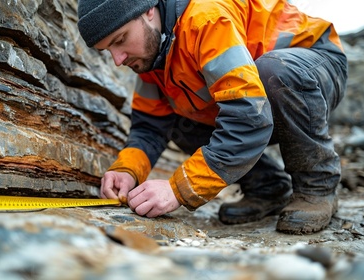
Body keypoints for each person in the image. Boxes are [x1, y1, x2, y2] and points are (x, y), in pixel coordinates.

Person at [77, 0, 348, 234]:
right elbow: (150, 126)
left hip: (313, 67)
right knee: (182, 123)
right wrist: (127, 170)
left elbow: (248, 114)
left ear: (148, 11)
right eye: (107, 50)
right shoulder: (150, 53)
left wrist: (179, 188)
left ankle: (317, 188)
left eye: (120, 40)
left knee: (273, 72)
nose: (117, 59)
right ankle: (267, 188)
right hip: (258, 98)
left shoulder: (204, 19)